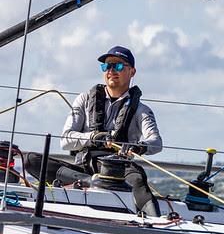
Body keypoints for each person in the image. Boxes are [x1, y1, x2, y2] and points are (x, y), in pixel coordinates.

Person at [25, 46, 163, 216]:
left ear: (132, 71)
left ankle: (158, 223)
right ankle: (91, 182)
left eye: (118, 66)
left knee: (137, 179)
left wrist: (139, 147)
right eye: (107, 66)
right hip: (82, 169)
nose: (111, 70)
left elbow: (156, 142)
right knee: (30, 160)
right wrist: (93, 137)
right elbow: (65, 139)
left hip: (118, 175)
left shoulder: (142, 110)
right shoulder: (84, 100)